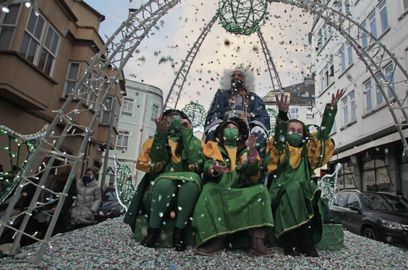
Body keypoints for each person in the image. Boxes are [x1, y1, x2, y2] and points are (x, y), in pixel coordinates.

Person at [266, 89, 344, 257]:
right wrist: (282, 114)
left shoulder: (307, 150)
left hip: (304, 191)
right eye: (291, 130)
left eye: (299, 131)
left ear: (304, 134)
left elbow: (322, 134)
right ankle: (294, 240)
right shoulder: (282, 148)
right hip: (281, 190)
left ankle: (303, 239)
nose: (295, 133)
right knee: (291, 191)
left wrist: (331, 109)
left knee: (299, 192)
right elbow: (279, 139)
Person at [193, 117, 274, 256]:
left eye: (234, 128)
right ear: (221, 134)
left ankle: (257, 241)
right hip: (219, 189)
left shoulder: (244, 151)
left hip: (239, 190)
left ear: (240, 134)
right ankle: (215, 239)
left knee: (261, 191)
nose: (231, 131)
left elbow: (251, 174)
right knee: (208, 190)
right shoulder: (213, 148)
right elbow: (206, 164)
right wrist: (213, 168)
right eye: (227, 128)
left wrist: (251, 161)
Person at [123, 109, 203, 251]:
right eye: (171, 118)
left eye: (179, 118)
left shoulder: (195, 142)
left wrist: (187, 133)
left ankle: (179, 232)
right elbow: (155, 160)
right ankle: (153, 230)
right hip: (157, 192)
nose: (175, 120)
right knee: (164, 183)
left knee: (191, 183)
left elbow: (196, 162)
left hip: (185, 194)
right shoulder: (152, 142)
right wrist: (161, 133)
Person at [204, 67, 270, 156]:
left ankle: (253, 162)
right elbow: (214, 113)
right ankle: (215, 161)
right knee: (212, 135)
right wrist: (218, 127)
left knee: (259, 136)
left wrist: (255, 127)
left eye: (240, 75)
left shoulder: (255, 99)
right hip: (224, 128)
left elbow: (262, 116)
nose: (236, 77)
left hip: (248, 129)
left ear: (246, 79)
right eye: (234, 75)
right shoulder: (222, 95)